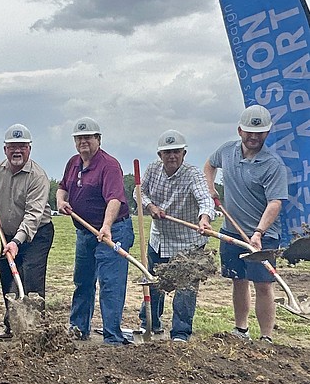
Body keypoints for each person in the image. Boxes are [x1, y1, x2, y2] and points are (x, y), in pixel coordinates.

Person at [203, 105, 288, 343]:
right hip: (231, 232)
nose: (253, 136)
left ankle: (266, 337)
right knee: (238, 280)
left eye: (259, 132)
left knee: (263, 284)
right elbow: (210, 164)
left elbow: (275, 203)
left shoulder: (273, 165)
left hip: (264, 236)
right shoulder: (227, 151)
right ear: (240, 130)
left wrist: (259, 232)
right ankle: (241, 330)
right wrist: (210, 188)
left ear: (267, 133)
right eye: (249, 131)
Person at [57, 117, 134, 345]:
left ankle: (112, 336)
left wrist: (107, 226)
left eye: (88, 138)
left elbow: (114, 199)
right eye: (79, 138)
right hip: (85, 232)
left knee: (110, 284)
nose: (83, 142)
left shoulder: (109, 165)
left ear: (98, 140)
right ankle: (79, 329)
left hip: (113, 231)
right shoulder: (73, 163)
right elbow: (62, 188)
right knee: (82, 281)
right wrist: (61, 201)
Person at [138, 129, 215, 342]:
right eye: (167, 152)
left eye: (176, 152)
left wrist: (205, 218)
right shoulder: (153, 170)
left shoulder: (193, 174)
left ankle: (180, 334)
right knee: (154, 283)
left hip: (189, 242)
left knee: (185, 290)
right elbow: (140, 192)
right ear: (160, 155)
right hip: (159, 239)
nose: (172, 156)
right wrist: (150, 206)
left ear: (184, 153)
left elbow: (205, 199)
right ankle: (150, 324)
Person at [0, 124, 54, 341]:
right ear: (5, 149)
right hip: (8, 234)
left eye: (22, 147)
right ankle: (12, 326)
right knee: (7, 275)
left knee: (31, 276)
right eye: (12, 147)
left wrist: (17, 242)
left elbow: (33, 216)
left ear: (29, 149)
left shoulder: (38, 176)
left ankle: (34, 331)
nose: (17, 151)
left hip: (37, 234)